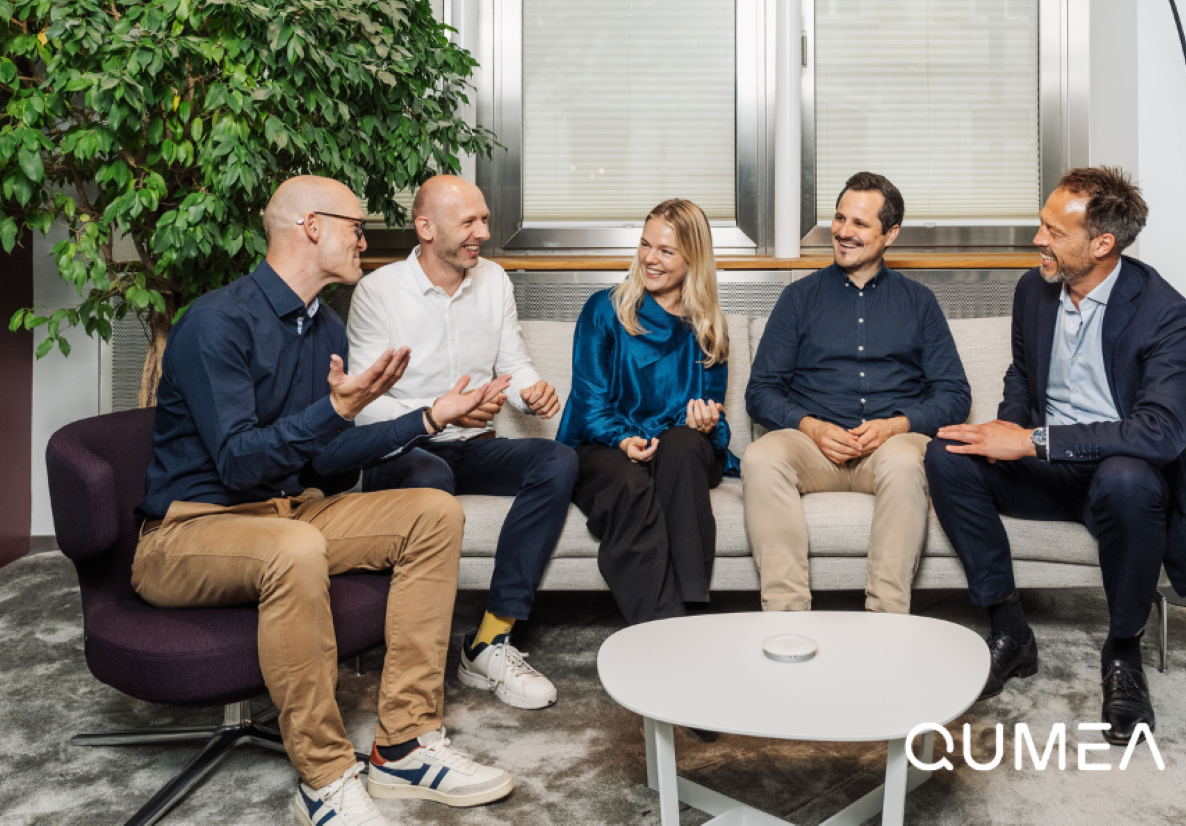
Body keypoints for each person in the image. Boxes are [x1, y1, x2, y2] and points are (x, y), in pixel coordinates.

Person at [134, 176, 516, 826]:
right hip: (187, 531)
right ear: (310, 226)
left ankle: (405, 747)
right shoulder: (217, 323)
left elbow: (321, 462)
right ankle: (325, 778)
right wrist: (336, 410)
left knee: (432, 512)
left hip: (290, 512)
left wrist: (429, 417)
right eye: (356, 229)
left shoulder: (325, 327)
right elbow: (239, 462)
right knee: (296, 546)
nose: (365, 243)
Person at [924, 166, 1186, 745]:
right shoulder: (1034, 290)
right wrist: (1010, 423)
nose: (1039, 240)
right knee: (947, 454)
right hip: (1044, 471)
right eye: (1042, 225)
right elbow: (1021, 372)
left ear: (1102, 244)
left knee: (1129, 479)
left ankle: (1123, 652)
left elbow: (1160, 433)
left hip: (1114, 475)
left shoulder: (1165, 313)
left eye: (1054, 231)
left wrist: (1032, 441)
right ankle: (1010, 628)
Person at [349, 175, 574, 711]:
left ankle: (488, 642)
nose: (483, 233)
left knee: (557, 460)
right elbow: (361, 405)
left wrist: (530, 393)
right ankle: (411, 650)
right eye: (469, 222)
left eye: (485, 219)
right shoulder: (378, 292)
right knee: (432, 475)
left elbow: (512, 363)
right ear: (426, 228)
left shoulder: (493, 281)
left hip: (471, 444)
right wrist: (435, 413)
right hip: (403, 450)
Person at [743, 171, 971, 615]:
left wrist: (896, 426)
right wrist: (811, 427)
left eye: (860, 223)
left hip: (889, 448)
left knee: (905, 462)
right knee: (761, 457)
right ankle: (785, 615)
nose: (844, 231)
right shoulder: (798, 299)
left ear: (891, 234)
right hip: (813, 447)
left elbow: (954, 394)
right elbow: (761, 391)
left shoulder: (920, 302)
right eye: (839, 218)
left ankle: (886, 616)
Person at [555, 198, 735, 624]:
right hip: (606, 445)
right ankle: (665, 623)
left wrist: (706, 423)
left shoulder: (708, 327)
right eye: (645, 244)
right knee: (631, 484)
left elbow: (717, 423)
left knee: (684, 445)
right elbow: (589, 406)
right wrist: (623, 440)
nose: (650, 258)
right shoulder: (604, 309)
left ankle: (691, 605)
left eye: (666, 251)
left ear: (692, 259)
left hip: (676, 453)